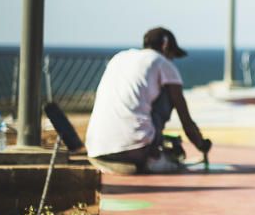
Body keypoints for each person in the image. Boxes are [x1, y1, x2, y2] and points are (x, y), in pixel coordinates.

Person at [86, 27, 211, 173]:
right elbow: (186, 121)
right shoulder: (162, 63)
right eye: (172, 55)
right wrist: (202, 145)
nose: (171, 60)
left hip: (96, 150)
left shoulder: (120, 57)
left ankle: (144, 142)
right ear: (165, 45)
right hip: (133, 152)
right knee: (168, 92)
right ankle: (151, 153)